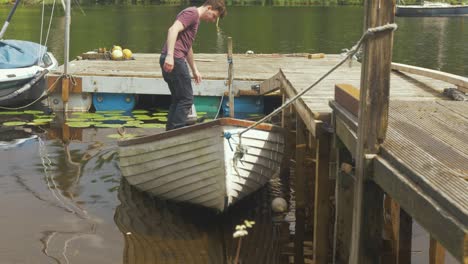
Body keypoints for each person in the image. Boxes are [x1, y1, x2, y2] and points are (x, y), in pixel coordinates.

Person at [160, 0, 226, 131]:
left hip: (174, 58)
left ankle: (170, 132)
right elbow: (172, 29)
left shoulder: (195, 19)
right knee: (186, 99)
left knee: (178, 99)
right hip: (175, 59)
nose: (213, 20)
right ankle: (177, 133)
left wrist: (194, 69)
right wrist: (170, 56)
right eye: (214, 16)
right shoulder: (192, 13)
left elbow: (188, 47)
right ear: (209, 8)